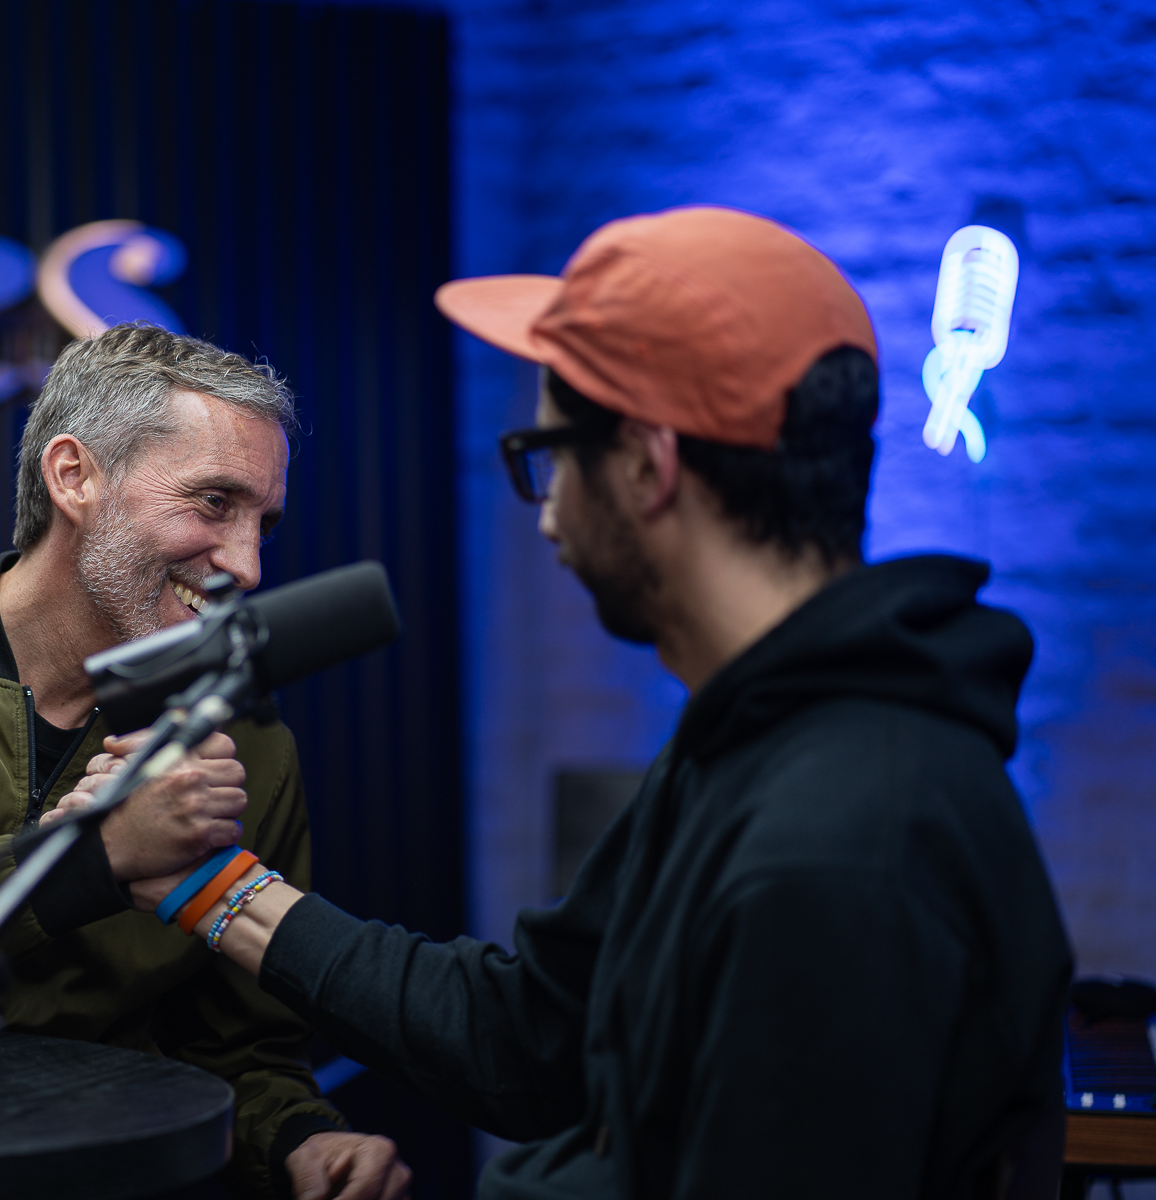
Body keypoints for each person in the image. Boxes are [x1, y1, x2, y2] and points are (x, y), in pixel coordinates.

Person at [63, 207, 1073, 1198]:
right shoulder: (758, 746)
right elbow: (530, 1038)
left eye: (550, 453)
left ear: (645, 465)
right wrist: (208, 884)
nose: (544, 510)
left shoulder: (843, 840)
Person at [0, 324, 405, 1199]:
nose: (246, 562)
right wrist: (92, 855)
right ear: (74, 475)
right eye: (212, 504)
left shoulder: (248, 743)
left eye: (263, 522)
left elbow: (241, 1052)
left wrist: (301, 1139)